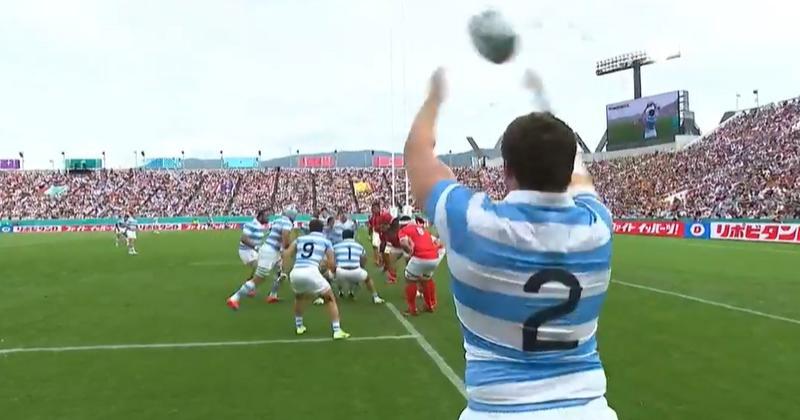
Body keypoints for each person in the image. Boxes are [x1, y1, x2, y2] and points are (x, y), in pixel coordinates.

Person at [404, 68, 617, 419]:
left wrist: (434, 99)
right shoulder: (598, 226)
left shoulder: (472, 221)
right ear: (568, 170)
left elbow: (417, 155)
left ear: (506, 169)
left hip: (499, 411)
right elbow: (580, 179)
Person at [283, 219, 350, 340]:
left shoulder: (300, 239)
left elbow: (287, 253)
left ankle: (299, 326)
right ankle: (337, 330)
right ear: (322, 229)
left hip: (296, 271)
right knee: (330, 299)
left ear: (310, 228)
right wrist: (333, 272)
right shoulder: (326, 241)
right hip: (311, 271)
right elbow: (331, 262)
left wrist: (284, 271)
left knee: (299, 297)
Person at [226, 206, 296, 310]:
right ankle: (234, 298)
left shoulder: (277, 220)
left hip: (273, 251)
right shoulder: (287, 223)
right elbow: (286, 242)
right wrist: (293, 245)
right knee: (258, 279)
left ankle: (273, 295)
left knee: (281, 273)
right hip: (270, 253)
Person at [397, 215, 441, 315]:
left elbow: (404, 244)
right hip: (434, 258)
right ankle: (429, 305)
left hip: (421, 257)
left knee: (410, 280)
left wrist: (410, 252)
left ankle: (412, 309)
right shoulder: (422, 229)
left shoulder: (403, 231)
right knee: (425, 280)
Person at [332, 229, 384, 303]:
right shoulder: (359, 246)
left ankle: (329, 295)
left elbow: (332, 259)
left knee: (328, 276)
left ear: (342, 237)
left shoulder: (336, 246)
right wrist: (361, 267)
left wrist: (334, 269)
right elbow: (364, 259)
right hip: (356, 271)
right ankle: (375, 297)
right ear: (353, 236)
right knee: (368, 279)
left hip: (340, 272)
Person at [367, 201, 392, 269]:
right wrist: (370, 234)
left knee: (385, 250)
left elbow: (390, 223)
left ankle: (384, 262)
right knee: (378, 248)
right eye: (372, 208)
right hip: (378, 233)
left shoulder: (384, 215)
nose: (373, 210)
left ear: (378, 208)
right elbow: (370, 225)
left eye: (375, 208)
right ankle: (380, 261)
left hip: (385, 234)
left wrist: (384, 227)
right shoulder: (373, 217)